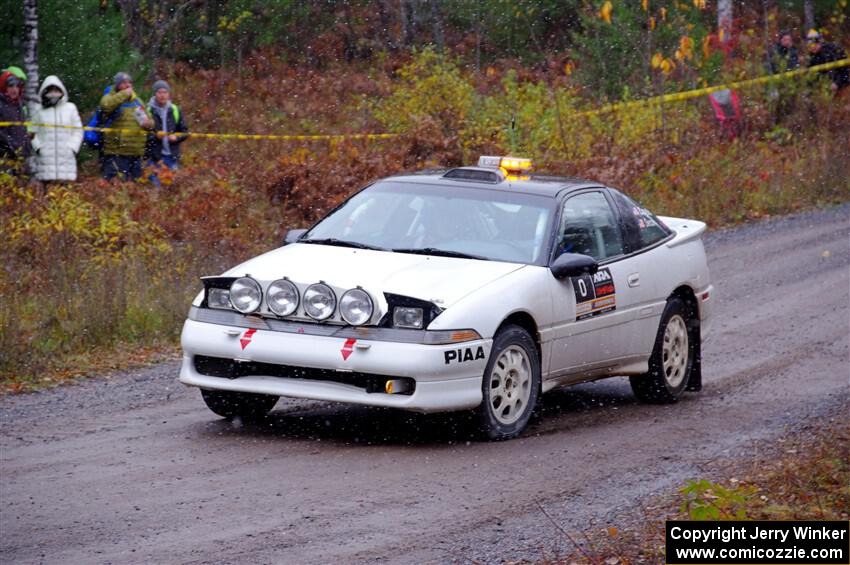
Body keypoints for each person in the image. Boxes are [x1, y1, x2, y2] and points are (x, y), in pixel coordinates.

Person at [99, 72, 153, 181]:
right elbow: (106, 106)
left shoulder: (137, 101)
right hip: (117, 153)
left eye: (129, 82)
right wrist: (124, 94)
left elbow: (150, 121)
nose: (128, 85)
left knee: (135, 187)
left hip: (135, 153)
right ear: (117, 85)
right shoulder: (110, 96)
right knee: (116, 186)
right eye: (124, 83)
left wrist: (149, 123)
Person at [30, 75, 83, 183]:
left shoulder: (70, 108)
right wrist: (39, 148)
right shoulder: (38, 109)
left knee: (66, 197)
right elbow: (32, 132)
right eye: (50, 90)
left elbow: (78, 131)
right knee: (46, 196)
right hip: (45, 162)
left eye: (56, 90)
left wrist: (72, 148)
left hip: (66, 161)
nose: (53, 93)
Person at [145, 80, 188, 187]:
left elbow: (185, 132)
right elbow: (144, 135)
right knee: (156, 188)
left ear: (168, 94)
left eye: (165, 92)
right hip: (155, 157)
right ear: (155, 94)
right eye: (159, 92)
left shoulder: (175, 110)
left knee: (173, 188)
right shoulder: (148, 111)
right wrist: (155, 136)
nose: (162, 95)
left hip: (172, 157)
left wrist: (176, 138)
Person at [0, 70, 29, 176]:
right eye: (11, 86)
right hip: (4, 158)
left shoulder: (20, 106)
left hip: (20, 158)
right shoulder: (1, 105)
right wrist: (11, 146)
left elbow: (22, 130)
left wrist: (26, 149)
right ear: (4, 87)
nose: (14, 89)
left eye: (17, 86)